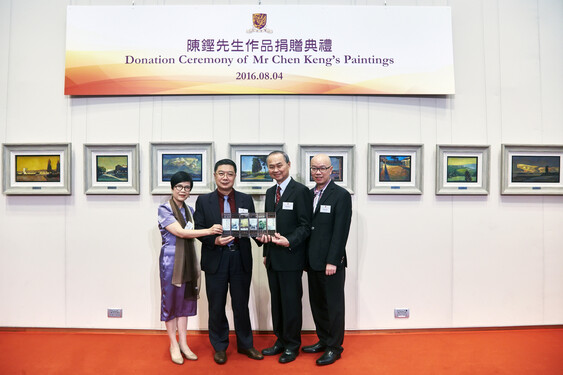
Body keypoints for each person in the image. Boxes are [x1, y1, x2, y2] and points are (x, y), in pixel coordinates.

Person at [193, 159, 264, 365]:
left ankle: (246, 344)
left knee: (241, 304)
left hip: (240, 258)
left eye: (230, 174)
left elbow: (251, 227)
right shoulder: (203, 200)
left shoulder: (245, 199)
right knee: (216, 305)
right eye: (221, 173)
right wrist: (214, 240)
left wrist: (263, 236)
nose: (225, 177)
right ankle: (220, 346)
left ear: (235, 176)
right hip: (216, 258)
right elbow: (198, 228)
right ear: (214, 176)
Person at [157, 171, 223, 365]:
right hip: (171, 262)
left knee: (185, 303)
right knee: (170, 303)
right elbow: (180, 232)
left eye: (187, 188)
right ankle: (173, 344)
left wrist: (216, 238)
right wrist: (210, 230)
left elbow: (195, 233)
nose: (183, 191)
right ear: (172, 188)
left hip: (188, 261)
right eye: (179, 187)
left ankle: (184, 343)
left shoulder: (190, 210)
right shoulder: (164, 208)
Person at [259, 151, 312, 364]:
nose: (275, 170)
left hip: (291, 257)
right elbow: (267, 224)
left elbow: (306, 226)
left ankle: (292, 344)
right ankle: (280, 340)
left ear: (288, 165)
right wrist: (265, 251)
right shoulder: (271, 192)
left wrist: (289, 240)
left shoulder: (300, 192)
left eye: (279, 165)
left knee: (290, 303)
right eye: (271, 167)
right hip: (272, 258)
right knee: (277, 303)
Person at [302, 154, 352, 365]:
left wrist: (333, 260)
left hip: (330, 263)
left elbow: (341, 231)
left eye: (322, 168)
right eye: (314, 168)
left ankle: (334, 347)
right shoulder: (308, 194)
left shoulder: (340, 195)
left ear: (332, 170)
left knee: (333, 306)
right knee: (318, 304)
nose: (318, 172)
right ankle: (323, 339)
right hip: (312, 261)